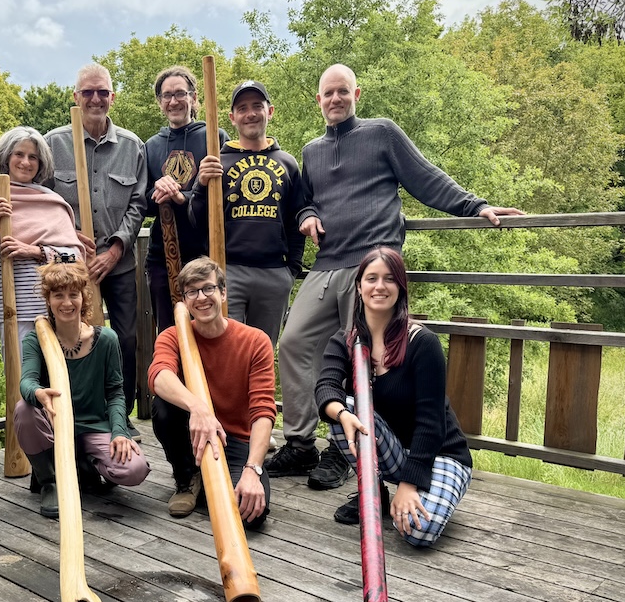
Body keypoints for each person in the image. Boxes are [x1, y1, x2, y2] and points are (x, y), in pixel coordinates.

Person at [267, 63, 523, 488]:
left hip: (372, 268)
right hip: (327, 263)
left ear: (356, 95)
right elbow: (304, 200)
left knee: (364, 357)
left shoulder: (381, 133)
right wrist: (309, 214)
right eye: (328, 93)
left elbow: (424, 178)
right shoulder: (311, 150)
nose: (335, 99)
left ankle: (344, 450)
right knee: (293, 341)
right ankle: (299, 443)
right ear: (318, 100)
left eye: (342, 92)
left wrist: (474, 205)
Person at [315, 248, 472, 547]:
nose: (379, 286)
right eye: (371, 278)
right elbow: (326, 387)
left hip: (440, 454)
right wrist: (342, 413)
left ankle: (411, 491)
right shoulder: (345, 340)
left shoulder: (422, 342)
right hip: (393, 450)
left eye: (389, 279)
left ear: (400, 288)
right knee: (342, 411)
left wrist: (410, 484)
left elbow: (431, 421)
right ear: (359, 287)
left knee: (419, 531)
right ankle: (373, 489)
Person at [44, 63, 147, 439]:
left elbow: (138, 203)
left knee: (125, 338)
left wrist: (117, 249)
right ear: (75, 97)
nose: (95, 99)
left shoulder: (132, 146)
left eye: (102, 92)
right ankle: (74, 414)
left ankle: (123, 416)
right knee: (70, 335)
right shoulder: (53, 144)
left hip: (117, 264)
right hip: (68, 266)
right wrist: (67, 233)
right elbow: (42, 199)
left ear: (112, 98)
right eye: (87, 92)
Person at [15, 261, 151, 518]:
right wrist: (39, 393)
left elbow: (115, 393)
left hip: (94, 426)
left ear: (83, 298)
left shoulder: (106, 339)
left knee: (135, 469)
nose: (67, 302)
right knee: (24, 410)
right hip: (55, 426)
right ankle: (50, 481)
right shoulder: (37, 339)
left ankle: (87, 465)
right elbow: (27, 381)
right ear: (49, 299)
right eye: (58, 295)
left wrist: (120, 432)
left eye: (73, 294)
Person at [148, 257, 274, 530]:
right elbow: (159, 376)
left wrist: (253, 469)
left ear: (223, 292)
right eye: (192, 292)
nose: (201, 298)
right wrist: (199, 409)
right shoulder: (172, 336)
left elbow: (263, 411)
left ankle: (221, 478)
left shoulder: (255, 341)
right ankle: (187, 477)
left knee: (252, 514)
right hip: (190, 434)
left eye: (208, 288)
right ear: (184, 299)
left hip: (235, 440)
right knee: (164, 407)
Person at [191, 80, 305, 346]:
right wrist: (200, 185)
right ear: (233, 118)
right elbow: (196, 221)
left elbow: (296, 218)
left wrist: (292, 270)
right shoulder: (218, 161)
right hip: (228, 272)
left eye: (257, 105)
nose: (250, 113)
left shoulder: (287, 163)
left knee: (262, 351)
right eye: (242, 108)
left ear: (270, 110)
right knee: (226, 350)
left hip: (274, 274)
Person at [0, 126, 92, 343]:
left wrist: (36, 251)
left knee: (57, 374)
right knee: (21, 374)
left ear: (41, 164)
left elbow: (75, 258)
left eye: (33, 157)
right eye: (19, 154)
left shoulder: (52, 202)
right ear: (6, 157)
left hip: (57, 307)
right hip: (12, 310)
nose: (26, 162)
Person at [143, 65, 229, 332]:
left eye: (180, 93)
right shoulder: (150, 146)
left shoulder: (214, 136)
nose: (173, 101)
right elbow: (142, 201)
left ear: (194, 98)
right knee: (169, 329)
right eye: (166, 96)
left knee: (207, 328)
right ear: (160, 103)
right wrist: (157, 191)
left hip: (203, 251)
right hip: (163, 255)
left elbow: (224, 195)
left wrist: (183, 196)